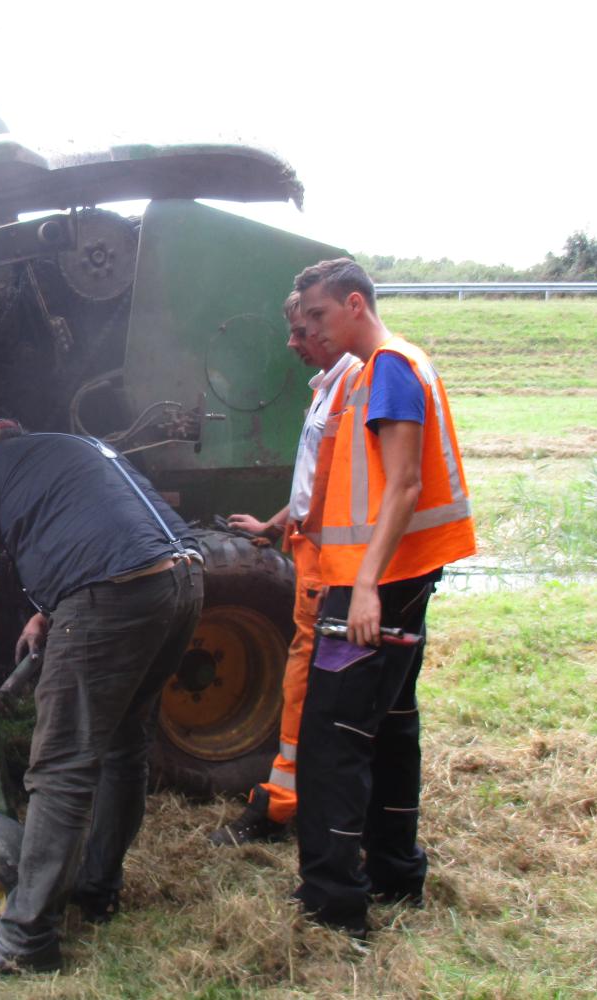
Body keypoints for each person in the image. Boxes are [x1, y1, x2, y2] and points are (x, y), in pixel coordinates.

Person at [0, 419, 202, 974]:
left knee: (60, 769)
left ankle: (24, 942)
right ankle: (97, 889)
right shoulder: (83, 445)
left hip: (116, 596)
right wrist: (49, 610)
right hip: (181, 583)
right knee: (124, 748)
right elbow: (97, 528)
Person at [291, 258, 475, 937]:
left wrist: (364, 585)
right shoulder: (391, 366)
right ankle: (397, 873)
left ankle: (335, 901)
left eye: (317, 316)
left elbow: (401, 485)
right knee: (393, 726)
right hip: (400, 577)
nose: (309, 329)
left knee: (333, 739)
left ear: (356, 304)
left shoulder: (390, 369)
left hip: (376, 586)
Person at [211, 291, 361, 845]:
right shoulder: (327, 388)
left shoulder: (356, 385)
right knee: (301, 685)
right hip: (316, 562)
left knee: (313, 691)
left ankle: (287, 807)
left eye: (304, 329)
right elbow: (313, 485)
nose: (294, 343)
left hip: (337, 571)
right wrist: (274, 526)